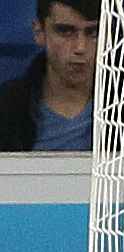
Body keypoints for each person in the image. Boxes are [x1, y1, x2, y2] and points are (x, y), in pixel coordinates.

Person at [0, 0, 99, 153]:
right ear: (39, 32)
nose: (80, 47)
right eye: (65, 31)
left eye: (93, 32)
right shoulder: (6, 107)